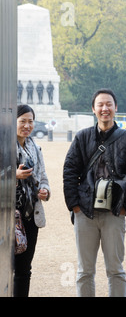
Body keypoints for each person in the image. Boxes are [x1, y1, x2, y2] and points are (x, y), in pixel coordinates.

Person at [63, 88, 126, 297]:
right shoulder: (82, 137)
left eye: (109, 104)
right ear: (93, 109)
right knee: (84, 271)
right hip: (85, 211)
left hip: (114, 212)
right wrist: (75, 205)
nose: (104, 108)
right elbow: (70, 170)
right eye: (100, 105)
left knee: (115, 270)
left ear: (116, 108)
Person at [15, 104, 51, 297]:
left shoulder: (35, 147)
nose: (27, 126)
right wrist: (14, 175)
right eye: (22, 121)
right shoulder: (3, 145)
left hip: (29, 215)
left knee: (24, 269)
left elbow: (43, 176)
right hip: (7, 215)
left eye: (30, 121)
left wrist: (45, 190)